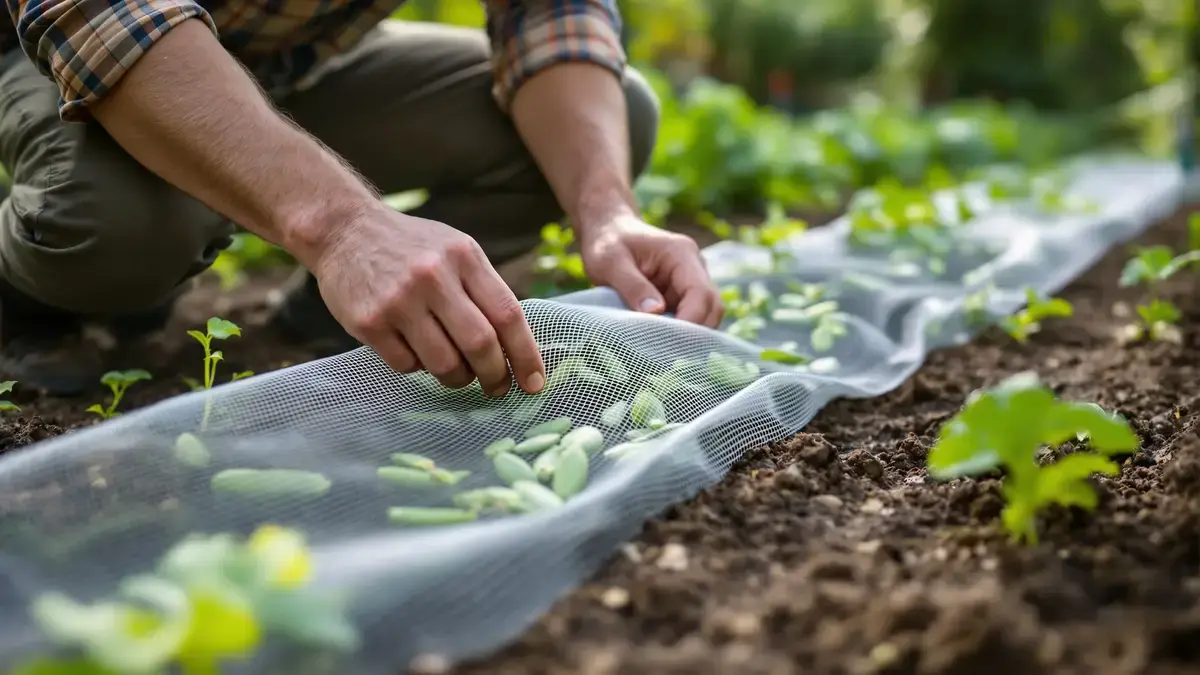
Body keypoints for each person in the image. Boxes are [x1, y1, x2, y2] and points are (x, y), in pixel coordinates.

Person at [0, 0, 724, 399]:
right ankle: (22, 301)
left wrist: (606, 212)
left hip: (289, 65)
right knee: (115, 228)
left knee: (613, 115)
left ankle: (334, 319)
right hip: (65, 59)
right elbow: (98, 18)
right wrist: (343, 228)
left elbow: (551, 14)